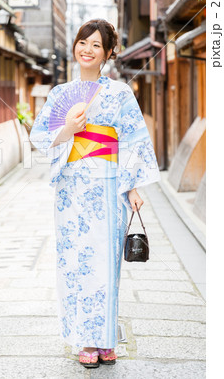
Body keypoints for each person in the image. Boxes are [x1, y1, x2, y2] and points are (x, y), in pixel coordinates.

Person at [29, 19, 161, 368]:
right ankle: (84, 339)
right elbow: (40, 137)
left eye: (96, 45)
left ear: (107, 53)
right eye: (82, 42)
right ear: (75, 46)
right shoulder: (60, 94)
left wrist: (132, 187)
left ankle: (104, 338)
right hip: (72, 188)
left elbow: (132, 142)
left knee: (105, 263)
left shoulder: (120, 94)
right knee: (75, 262)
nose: (87, 50)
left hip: (108, 186)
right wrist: (69, 130)